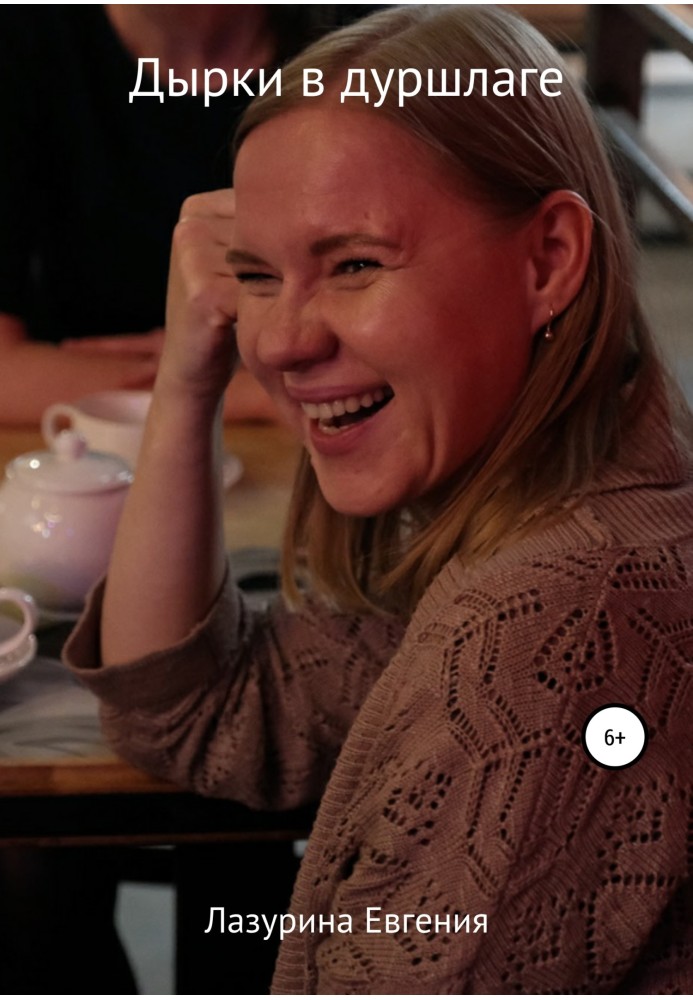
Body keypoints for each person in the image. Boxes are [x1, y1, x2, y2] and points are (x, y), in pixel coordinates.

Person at [66, 5, 693, 993]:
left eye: (355, 263)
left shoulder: (557, 623)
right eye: (259, 276)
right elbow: (193, 707)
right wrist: (190, 373)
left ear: (550, 260)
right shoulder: (545, 522)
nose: (276, 342)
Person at [0, 5, 377, 424]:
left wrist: (210, 375)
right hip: (89, 455)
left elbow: (417, 347)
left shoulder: (373, 42)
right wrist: (217, 381)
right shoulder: (25, 35)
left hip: (309, 441)